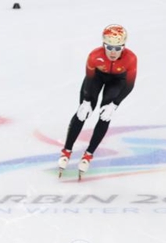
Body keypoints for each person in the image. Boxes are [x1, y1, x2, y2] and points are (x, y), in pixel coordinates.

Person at [58, 24, 138, 178]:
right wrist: (86, 100)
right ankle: (66, 150)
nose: (113, 52)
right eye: (109, 47)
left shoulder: (131, 58)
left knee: (105, 115)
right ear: (103, 44)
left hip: (117, 82)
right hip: (96, 78)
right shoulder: (94, 56)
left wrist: (115, 104)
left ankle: (88, 155)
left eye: (118, 48)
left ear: (124, 46)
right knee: (82, 113)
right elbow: (89, 78)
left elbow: (129, 85)